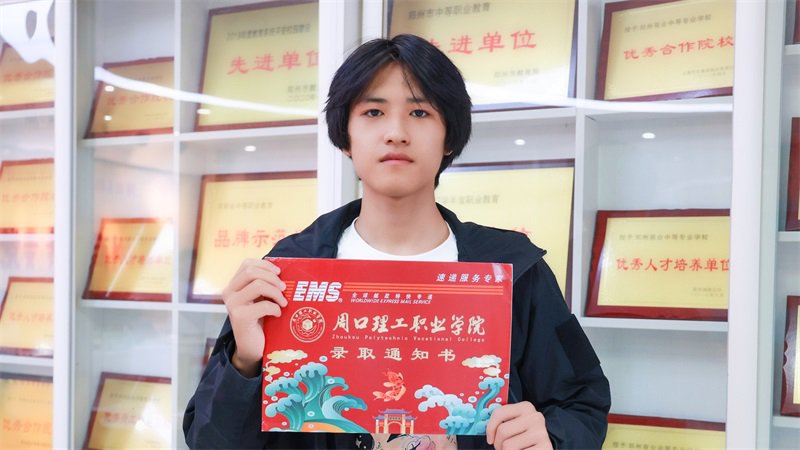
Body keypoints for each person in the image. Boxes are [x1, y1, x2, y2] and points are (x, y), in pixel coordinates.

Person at [184, 34, 610, 450]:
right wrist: (245, 362)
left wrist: (551, 437)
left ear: (449, 136)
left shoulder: (514, 271)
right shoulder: (286, 274)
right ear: (345, 137)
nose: (396, 132)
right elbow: (208, 440)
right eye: (373, 112)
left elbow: (581, 402)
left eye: (420, 112)